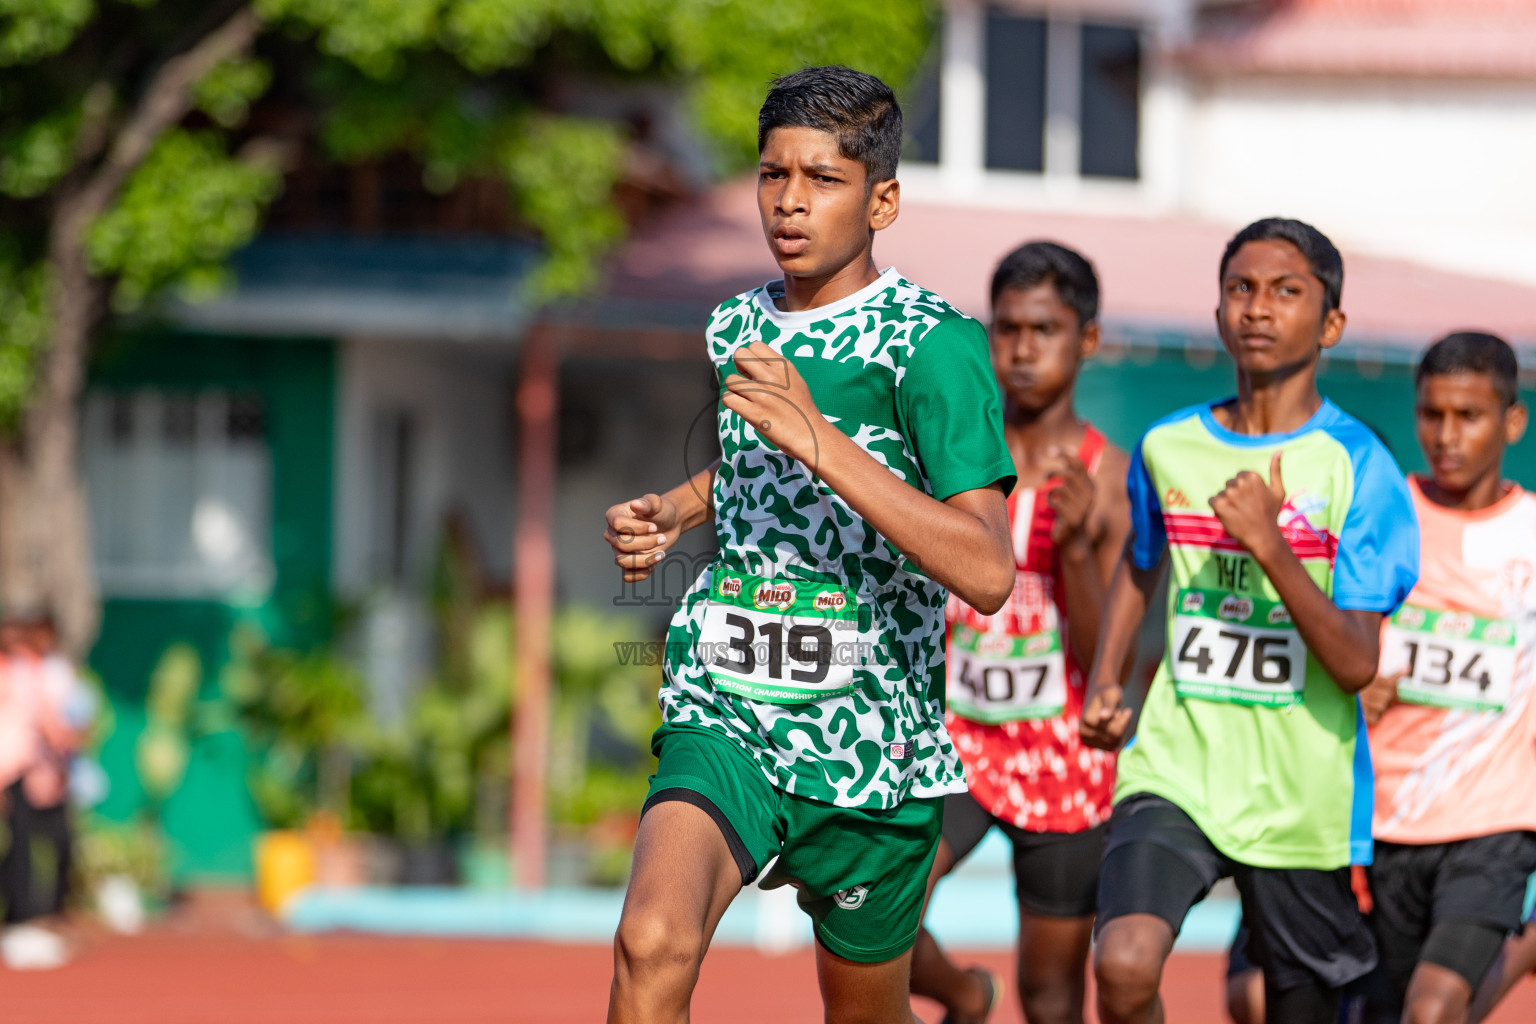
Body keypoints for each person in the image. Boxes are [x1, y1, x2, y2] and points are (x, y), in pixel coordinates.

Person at [602, 65, 1017, 1024]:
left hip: (872, 741)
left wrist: (819, 437)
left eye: (822, 180)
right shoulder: (736, 324)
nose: (788, 203)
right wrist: (676, 508)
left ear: (884, 200)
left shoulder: (934, 345)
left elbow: (987, 569)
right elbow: (754, 467)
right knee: (649, 942)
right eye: (771, 175)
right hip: (728, 703)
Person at [1079, 217, 1420, 1024]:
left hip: (1303, 797)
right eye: (1241, 289)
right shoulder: (1169, 447)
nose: (1258, 309)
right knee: (1124, 969)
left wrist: (1270, 544)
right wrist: (1106, 678)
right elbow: (1141, 564)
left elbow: (1355, 663)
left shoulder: (1360, 468)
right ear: (1219, 312)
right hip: (1176, 766)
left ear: (1331, 323)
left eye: (1286, 291)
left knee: (1286, 1009)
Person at [908, 241, 1129, 1024]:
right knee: (878, 920)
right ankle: (967, 997)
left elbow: (1103, 655)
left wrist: (1073, 548)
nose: (1024, 349)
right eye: (1006, 329)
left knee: (1049, 995)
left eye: (1046, 329)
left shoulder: (1108, 476)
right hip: (956, 743)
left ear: (1088, 339)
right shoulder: (954, 456)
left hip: (1061, 755)